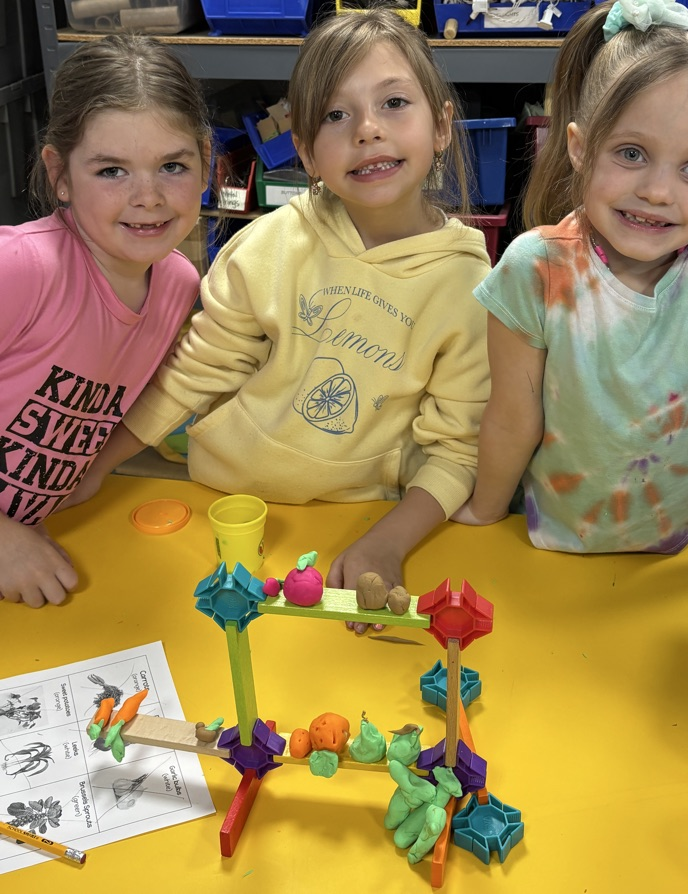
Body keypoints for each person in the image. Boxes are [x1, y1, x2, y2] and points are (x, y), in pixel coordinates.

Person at [72, 8, 491, 630]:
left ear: (443, 126)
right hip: (220, 507)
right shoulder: (269, 243)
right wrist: (95, 467)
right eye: (335, 115)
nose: (367, 130)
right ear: (305, 152)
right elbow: (196, 370)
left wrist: (388, 542)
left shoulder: (469, 287)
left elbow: (457, 451)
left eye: (394, 102)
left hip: (360, 521)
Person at [453, 0, 688, 556]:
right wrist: (484, 512)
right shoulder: (535, 268)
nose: (657, 192)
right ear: (579, 147)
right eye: (632, 153)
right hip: (553, 550)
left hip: (684, 555)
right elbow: (513, 418)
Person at [0, 34, 212, 607]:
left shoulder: (177, 285)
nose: (148, 197)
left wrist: (97, 468)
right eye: (112, 170)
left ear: (205, 162)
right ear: (60, 173)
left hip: (42, 544)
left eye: (172, 166)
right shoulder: (20, 266)